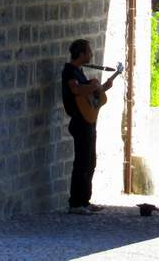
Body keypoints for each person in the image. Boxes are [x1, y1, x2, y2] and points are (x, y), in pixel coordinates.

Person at [61, 39, 112, 215]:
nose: (91, 55)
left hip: (87, 121)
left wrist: (103, 88)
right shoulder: (69, 72)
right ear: (81, 54)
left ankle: (85, 201)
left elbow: (89, 96)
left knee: (90, 162)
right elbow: (75, 90)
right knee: (81, 162)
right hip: (79, 122)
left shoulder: (79, 72)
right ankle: (75, 203)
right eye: (88, 52)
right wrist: (92, 85)